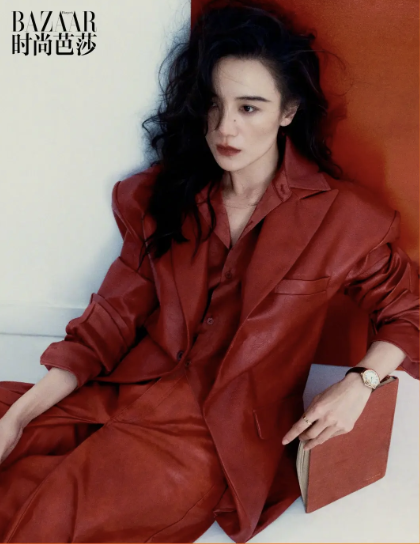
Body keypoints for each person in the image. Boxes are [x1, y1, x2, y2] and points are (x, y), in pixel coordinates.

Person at [0, 0, 418, 542]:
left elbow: (409, 312)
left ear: (288, 111)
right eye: (215, 105)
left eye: (249, 107)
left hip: (214, 436)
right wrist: (19, 417)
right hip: (121, 391)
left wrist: (361, 382)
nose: (225, 127)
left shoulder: (344, 220)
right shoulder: (162, 198)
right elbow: (108, 325)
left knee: (43, 522)